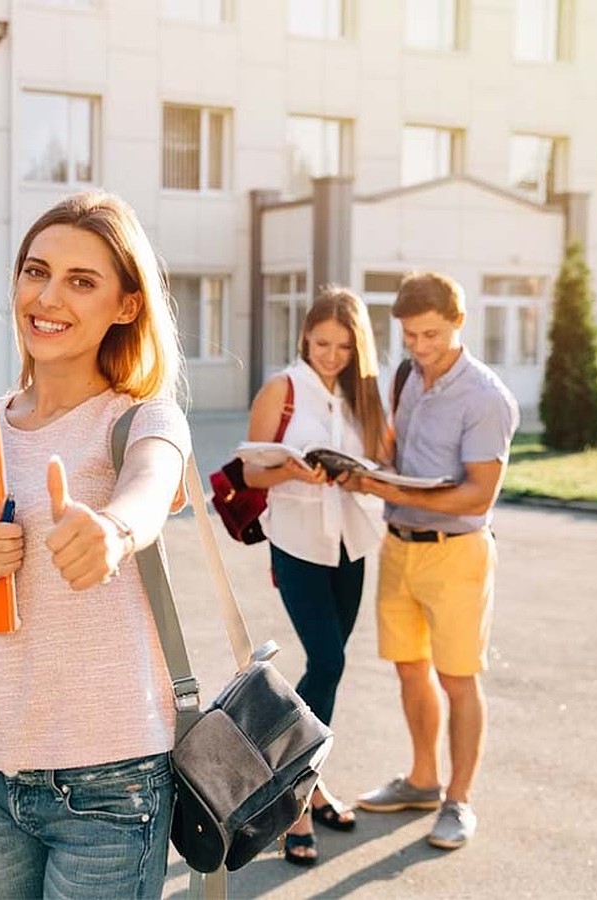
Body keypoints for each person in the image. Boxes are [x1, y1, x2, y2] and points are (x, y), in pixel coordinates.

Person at [0, 190, 191, 899]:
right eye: (36, 271)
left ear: (126, 306)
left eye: (82, 281)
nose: (47, 296)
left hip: (113, 781)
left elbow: (150, 487)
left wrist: (113, 532)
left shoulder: (143, 418)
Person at [349, 271, 519, 851]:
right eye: (411, 336)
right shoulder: (408, 377)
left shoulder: (487, 397)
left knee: (457, 678)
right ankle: (423, 780)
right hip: (398, 547)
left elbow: (479, 495)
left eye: (432, 335)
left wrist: (394, 491)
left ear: (459, 323)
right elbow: (396, 447)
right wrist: (370, 468)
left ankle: (459, 800)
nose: (420, 348)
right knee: (408, 668)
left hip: (457, 555)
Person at [241, 286, 387, 866]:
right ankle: (292, 799)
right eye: (322, 343)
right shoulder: (282, 388)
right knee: (327, 662)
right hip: (298, 542)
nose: (331, 355)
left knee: (329, 670)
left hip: (353, 543)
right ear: (305, 337)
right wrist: (292, 470)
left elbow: (380, 463)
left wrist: (359, 476)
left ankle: (312, 780)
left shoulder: (362, 397)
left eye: (344, 347)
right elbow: (250, 470)